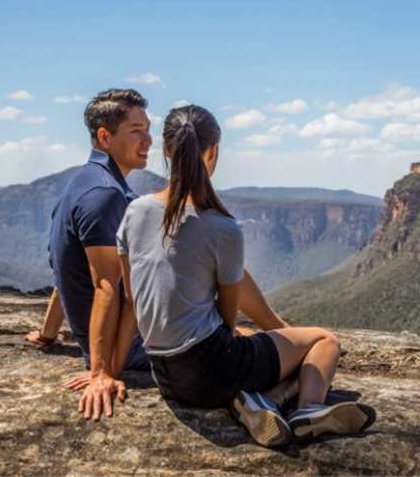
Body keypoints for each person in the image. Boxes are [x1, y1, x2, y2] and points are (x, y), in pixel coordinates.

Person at [110, 104, 376, 447]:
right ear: (214, 151)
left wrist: (106, 371)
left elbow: (132, 298)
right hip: (212, 372)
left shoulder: (135, 211)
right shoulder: (222, 228)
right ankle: (306, 409)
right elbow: (227, 319)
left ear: (165, 149)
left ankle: (257, 401)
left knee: (259, 339)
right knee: (323, 343)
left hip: (164, 373)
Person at [30, 89, 290, 398]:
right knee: (269, 345)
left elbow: (66, 271)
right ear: (105, 137)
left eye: (149, 130)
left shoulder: (84, 183)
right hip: (134, 346)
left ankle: (278, 330)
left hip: (137, 331)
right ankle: (280, 341)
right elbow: (105, 285)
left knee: (212, 256)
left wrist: (48, 335)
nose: (148, 141)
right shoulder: (106, 195)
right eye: (136, 131)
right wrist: (100, 372)